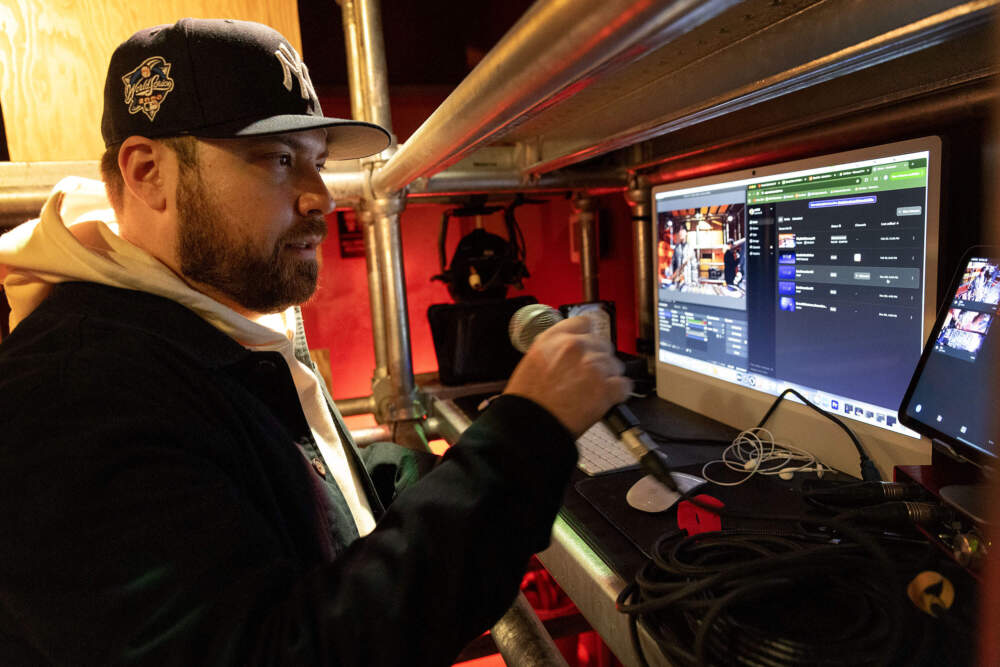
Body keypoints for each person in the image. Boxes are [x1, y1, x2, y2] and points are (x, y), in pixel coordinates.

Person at [0, 19, 629, 666]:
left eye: (318, 162)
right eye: (279, 160)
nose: (322, 198)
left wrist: (434, 472)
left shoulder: (190, 322)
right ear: (147, 172)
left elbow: (284, 482)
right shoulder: (69, 398)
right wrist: (526, 437)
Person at [669, 225, 697, 289]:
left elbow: (694, 267)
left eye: (682, 230)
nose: (680, 232)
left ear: (686, 233)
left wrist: (694, 282)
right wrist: (672, 278)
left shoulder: (690, 248)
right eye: (680, 230)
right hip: (677, 282)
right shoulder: (676, 248)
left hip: (688, 282)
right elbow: (672, 264)